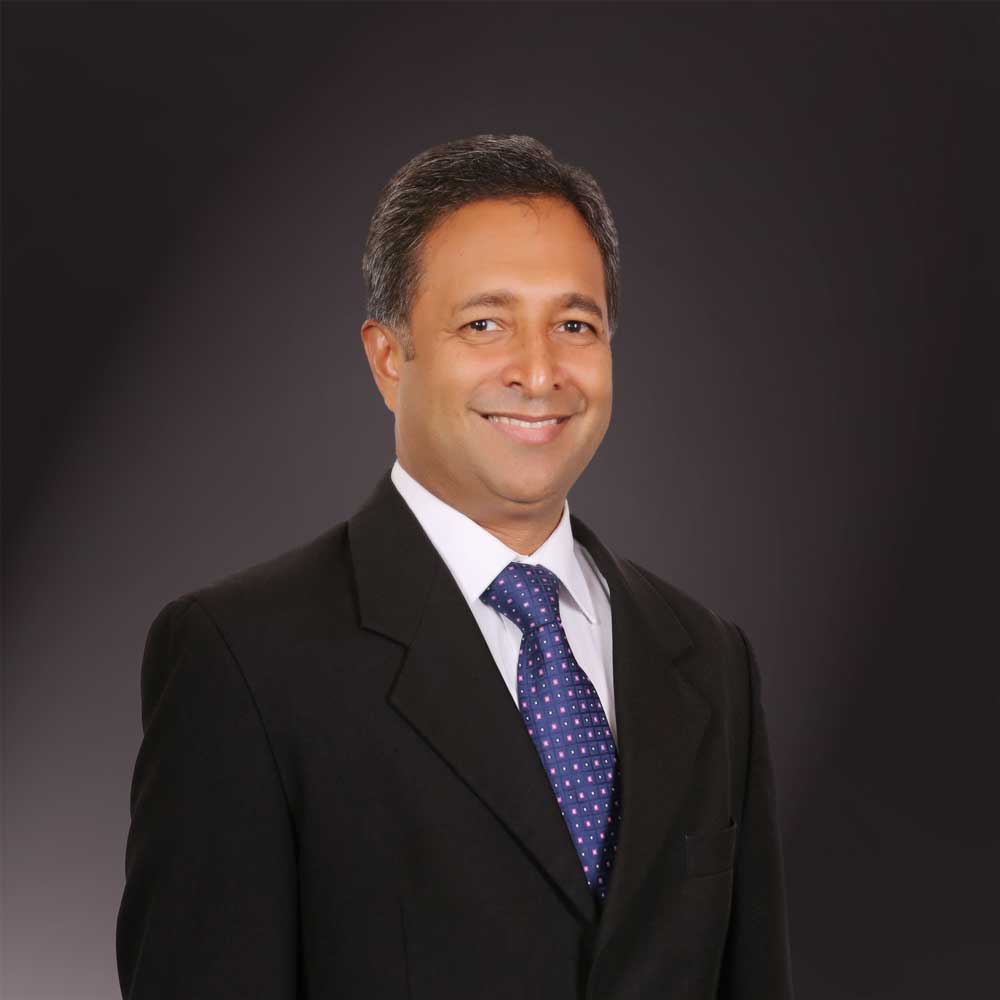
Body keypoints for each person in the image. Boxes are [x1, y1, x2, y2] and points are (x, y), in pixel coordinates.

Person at [116, 133, 794, 999]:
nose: (540, 373)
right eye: (485, 324)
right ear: (389, 360)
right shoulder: (244, 660)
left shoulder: (708, 658)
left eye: (575, 326)